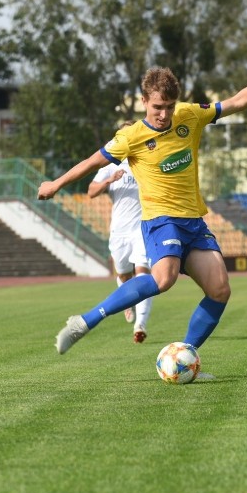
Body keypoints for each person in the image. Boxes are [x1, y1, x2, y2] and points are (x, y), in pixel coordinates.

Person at [38, 56, 247, 362]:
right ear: (143, 102)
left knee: (220, 289)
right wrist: (55, 184)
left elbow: (237, 102)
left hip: (193, 222)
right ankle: (85, 321)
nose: (165, 114)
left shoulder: (190, 116)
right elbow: (91, 162)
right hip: (160, 220)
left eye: (169, 106)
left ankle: (184, 358)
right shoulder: (130, 137)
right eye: (157, 107)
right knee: (164, 279)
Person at [88, 121, 152, 344]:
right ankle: (129, 303)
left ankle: (140, 324)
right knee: (124, 275)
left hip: (143, 228)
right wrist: (109, 180)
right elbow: (91, 191)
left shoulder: (145, 160)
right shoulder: (109, 165)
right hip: (119, 231)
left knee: (143, 274)